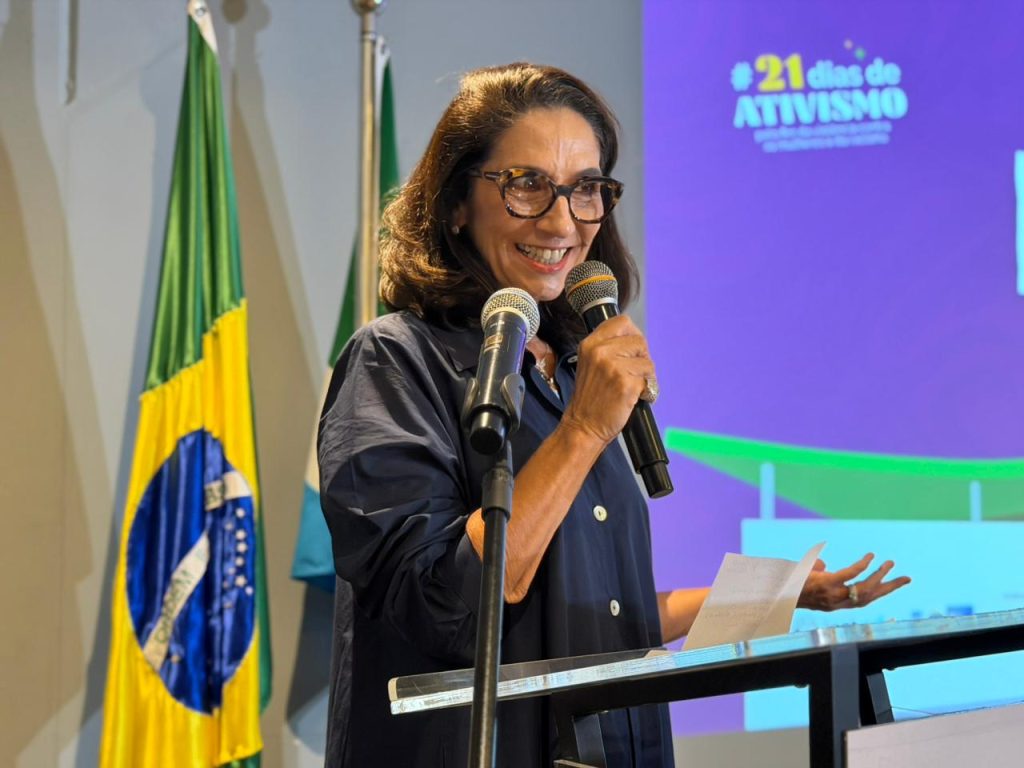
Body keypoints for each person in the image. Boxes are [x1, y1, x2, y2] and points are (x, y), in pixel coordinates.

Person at [318, 62, 910, 768]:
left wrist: (779, 595)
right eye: (527, 184)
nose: (564, 221)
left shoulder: (571, 372)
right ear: (455, 204)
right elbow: (443, 603)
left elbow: (596, 617)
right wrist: (586, 431)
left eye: (586, 190)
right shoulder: (395, 359)